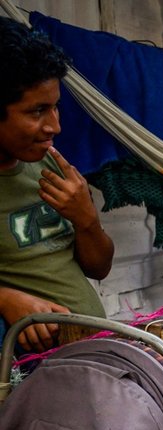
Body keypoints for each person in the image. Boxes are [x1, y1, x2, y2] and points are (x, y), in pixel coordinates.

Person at [0, 17, 114, 353]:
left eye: (55, 107)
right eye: (37, 111)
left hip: (85, 356)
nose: (55, 126)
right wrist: (5, 299)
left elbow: (99, 267)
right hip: (27, 375)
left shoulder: (49, 163)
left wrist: (86, 220)